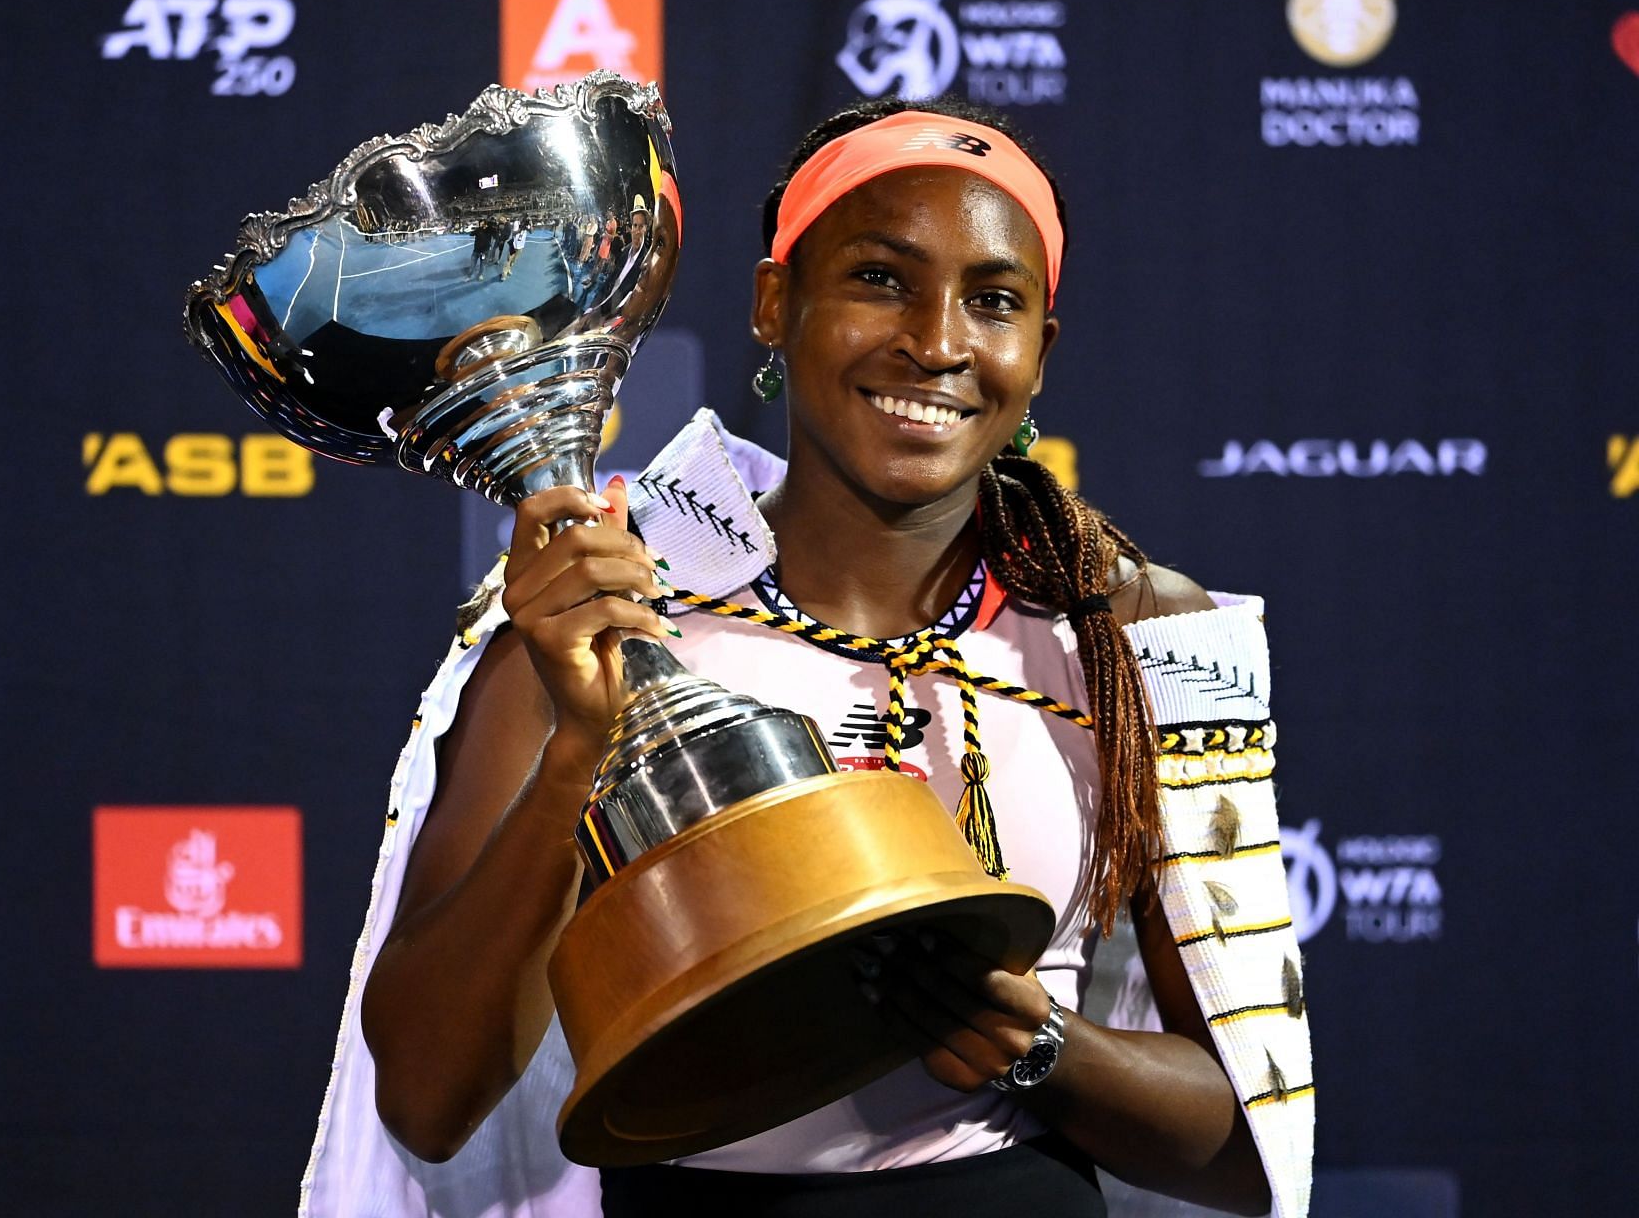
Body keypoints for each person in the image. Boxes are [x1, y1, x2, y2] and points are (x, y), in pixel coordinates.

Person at [309, 97, 1312, 1218]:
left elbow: (1243, 1144)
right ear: (773, 303)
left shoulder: (1132, 635)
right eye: (880, 278)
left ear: (1040, 352)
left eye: (993, 301)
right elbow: (429, 1101)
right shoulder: (599, 617)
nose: (936, 342)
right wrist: (577, 756)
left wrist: (1039, 1045)